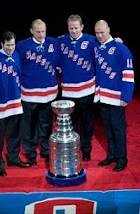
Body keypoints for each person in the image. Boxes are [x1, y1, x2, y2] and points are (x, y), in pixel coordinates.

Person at [0, 31, 30, 176]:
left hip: (14, 102)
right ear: (2, 44)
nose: (10, 48)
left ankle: (13, 158)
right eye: (8, 45)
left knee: (14, 133)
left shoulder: (16, 56)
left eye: (13, 45)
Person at [16, 19, 60, 165]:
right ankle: (30, 153)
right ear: (31, 31)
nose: (41, 34)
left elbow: (74, 40)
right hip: (29, 95)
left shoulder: (54, 43)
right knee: (30, 127)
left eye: (43, 31)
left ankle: (46, 151)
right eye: (38, 31)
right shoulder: (22, 46)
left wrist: (115, 41)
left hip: (49, 95)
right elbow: (10, 58)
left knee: (46, 125)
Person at [93, 20, 135, 172]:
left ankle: (122, 159)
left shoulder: (121, 49)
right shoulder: (97, 46)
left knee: (118, 129)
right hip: (103, 97)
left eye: (102, 32)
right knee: (108, 129)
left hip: (117, 98)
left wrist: (126, 97)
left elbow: (129, 75)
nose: (99, 35)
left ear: (109, 29)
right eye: (97, 32)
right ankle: (112, 155)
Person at [57, 14, 97, 161]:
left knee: (87, 122)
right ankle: (71, 149)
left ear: (82, 26)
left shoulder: (92, 40)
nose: (73, 31)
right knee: (70, 123)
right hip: (68, 91)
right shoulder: (60, 41)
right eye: (71, 28)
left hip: (87, 90)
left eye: (76, 28)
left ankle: (86, 149)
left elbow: (106, 48)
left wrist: (116, 42)